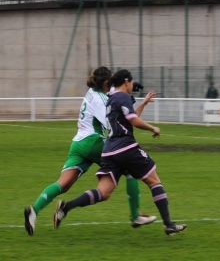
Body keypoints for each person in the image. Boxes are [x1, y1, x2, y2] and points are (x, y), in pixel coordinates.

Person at [24, 66, 156, 236]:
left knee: (63, 184)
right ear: (107, 82)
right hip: (93, 141)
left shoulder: (92, 93)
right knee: (130, 169)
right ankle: (135, 215)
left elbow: (109, 95)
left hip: (78, 144)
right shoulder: (101, 99)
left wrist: (127, 93)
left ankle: (34, 210)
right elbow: (112, 123)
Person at [53, 69, 187, 236]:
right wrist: (152, 127)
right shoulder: (122, 97)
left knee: (103, 192)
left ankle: (67, 207)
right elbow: (132, 120)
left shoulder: (110, 100)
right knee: (154, 181)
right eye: (131, 82)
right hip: (126, 147)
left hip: (109, 150)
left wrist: (143, 103)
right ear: (126, 81)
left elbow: (128, 117)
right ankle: (168, 224)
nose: (132, 86)